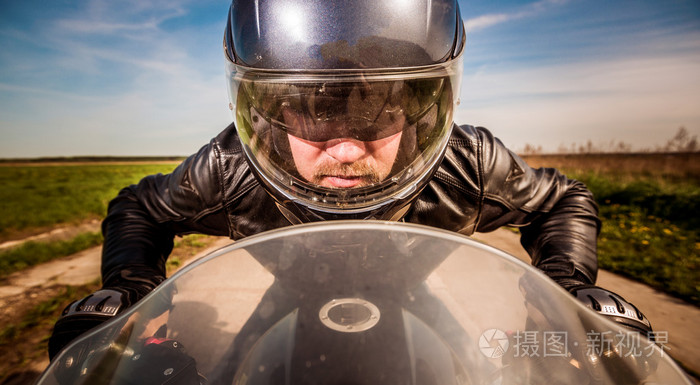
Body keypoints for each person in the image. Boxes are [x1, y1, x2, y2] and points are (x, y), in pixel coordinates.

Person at [48, 0, 651, 365]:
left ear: (427, 105)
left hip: (414, 296)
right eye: (308, 110)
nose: (342, 147)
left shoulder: (467, 160)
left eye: (379, 110)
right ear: (266, 112)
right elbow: (140, 209)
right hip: (286, 300)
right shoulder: (231, 166)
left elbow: (561, 200)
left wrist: (566, 296)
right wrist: (131, 295)